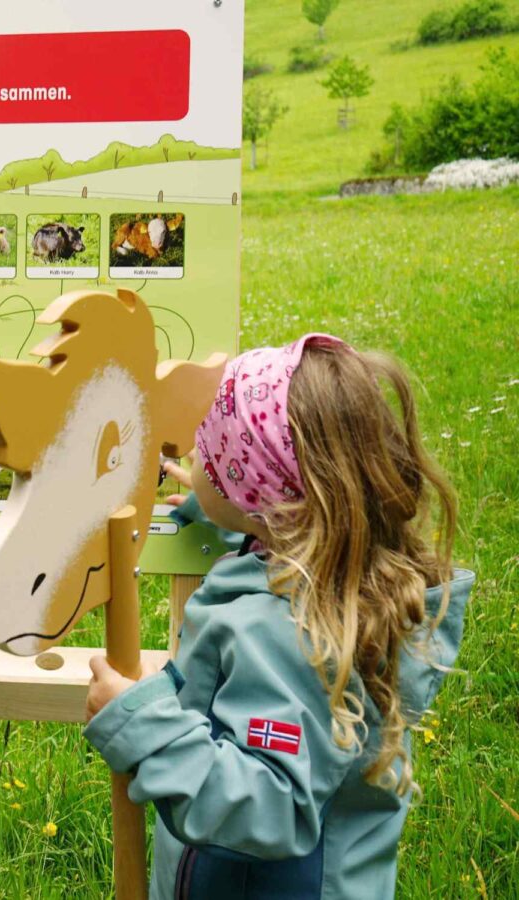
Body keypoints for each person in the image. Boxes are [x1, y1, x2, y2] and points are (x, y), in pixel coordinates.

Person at [84, 334, 474, 899]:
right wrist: (220, 510)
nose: (194, 460)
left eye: (209, 457)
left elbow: (272, 806)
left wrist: (141, 725)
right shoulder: (335, 571)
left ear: (254, 491)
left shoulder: (286, 636)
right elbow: (272, 535)